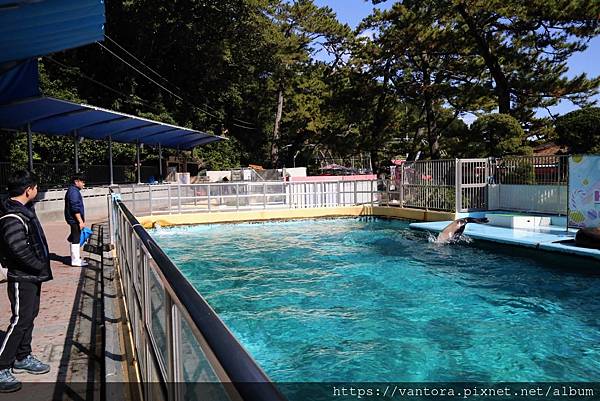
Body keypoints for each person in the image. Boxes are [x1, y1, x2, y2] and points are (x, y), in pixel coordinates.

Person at [0, 170, 52, 393]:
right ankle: (2, 365)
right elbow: (17, 248)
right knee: (20, 319)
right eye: (36, 187)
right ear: (28, 189)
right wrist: (38, 264)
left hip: (31, 275)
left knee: (29, 316)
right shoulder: (12, 215)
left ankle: (22, 356)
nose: (37, 191)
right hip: (22, 276)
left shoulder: (23, 210)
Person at [64, 174, 88, 267]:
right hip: (74, 219)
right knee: (76, 238)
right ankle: (75, 260)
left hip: (73, 219)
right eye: (82, 182)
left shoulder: (73, 190)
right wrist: (80, 221)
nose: (84, 184)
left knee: (75, 237)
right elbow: (75, 208)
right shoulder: (73, 192)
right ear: (76, 181)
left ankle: (76, 258)